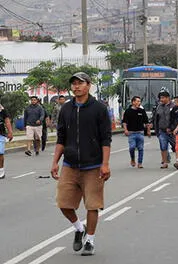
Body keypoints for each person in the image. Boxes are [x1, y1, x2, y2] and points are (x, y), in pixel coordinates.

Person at [51, 72, 112, 256]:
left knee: (92, 205)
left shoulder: (99, 109)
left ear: (88, 85)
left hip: (93, 166)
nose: (76, 86)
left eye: (80, 83)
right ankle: (79, 228)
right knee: (63, 203)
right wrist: (55, 162)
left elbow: (106, 139)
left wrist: (105, 164)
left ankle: (90, 241)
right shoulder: (66, 109)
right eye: (74, 84)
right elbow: (61, 138)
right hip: (70, 164)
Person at [122, 96, 150, 168]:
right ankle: (132, 159)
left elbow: (146, 122)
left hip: (140, 132)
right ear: (133, 102)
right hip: (131, 133)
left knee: (140, 148)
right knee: (132, 147)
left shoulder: (142, 111)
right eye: (137, 101)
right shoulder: (128, 111)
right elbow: (124, 122)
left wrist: (148, 130)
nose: (139, 103)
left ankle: (140, 163)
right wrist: (125, 130)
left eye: (139, 101)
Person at [153, 91, 176, 169]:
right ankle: (165, 162)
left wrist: (173, 128)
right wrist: (157, 131)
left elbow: (176, 119)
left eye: (163, 98)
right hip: (162, 131)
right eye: (160, 98)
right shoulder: (159, 107)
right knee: (163, 146)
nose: (161, 99)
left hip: (172, 131)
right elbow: (156, 119)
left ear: (168, 98)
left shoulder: (174, 106)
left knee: (176, 147)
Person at [0, 103, 13, 179]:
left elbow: (7, 121)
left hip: (0, 134)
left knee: (0, 153)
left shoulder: (3, 110)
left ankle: (1, 171)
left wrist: (10, 132)